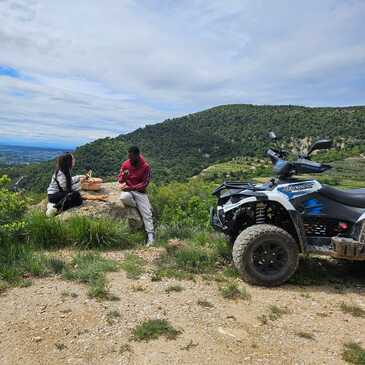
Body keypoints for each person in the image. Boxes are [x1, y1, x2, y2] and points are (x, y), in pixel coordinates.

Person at [118, 146, 155, 245]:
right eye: (128, 156)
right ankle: (137, 205)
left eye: (131, 157)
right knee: (123, 197)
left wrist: (132, 188)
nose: (129, 159)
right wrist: (124, 177)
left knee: (147, 214)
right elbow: (120, 180)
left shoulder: (145, 166)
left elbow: (145, 183)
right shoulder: (126, 164)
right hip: (129, 190)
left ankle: (151, 237)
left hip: (140, 192)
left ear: (137, 155)